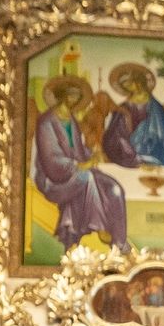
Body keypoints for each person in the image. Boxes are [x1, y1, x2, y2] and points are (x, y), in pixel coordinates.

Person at [32, 75, 130, 254]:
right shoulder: (46, 122)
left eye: (77, 95)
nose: (74, 99)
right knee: (87, 178)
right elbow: (50, 159)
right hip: (54, 179)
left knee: (114, 188)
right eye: (70, 94)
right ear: (61, 95)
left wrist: (92, 154)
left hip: (79, 171)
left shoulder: (71, 120)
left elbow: (78, 150)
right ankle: (100, 226)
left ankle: (120, 242)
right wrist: (77, 166)